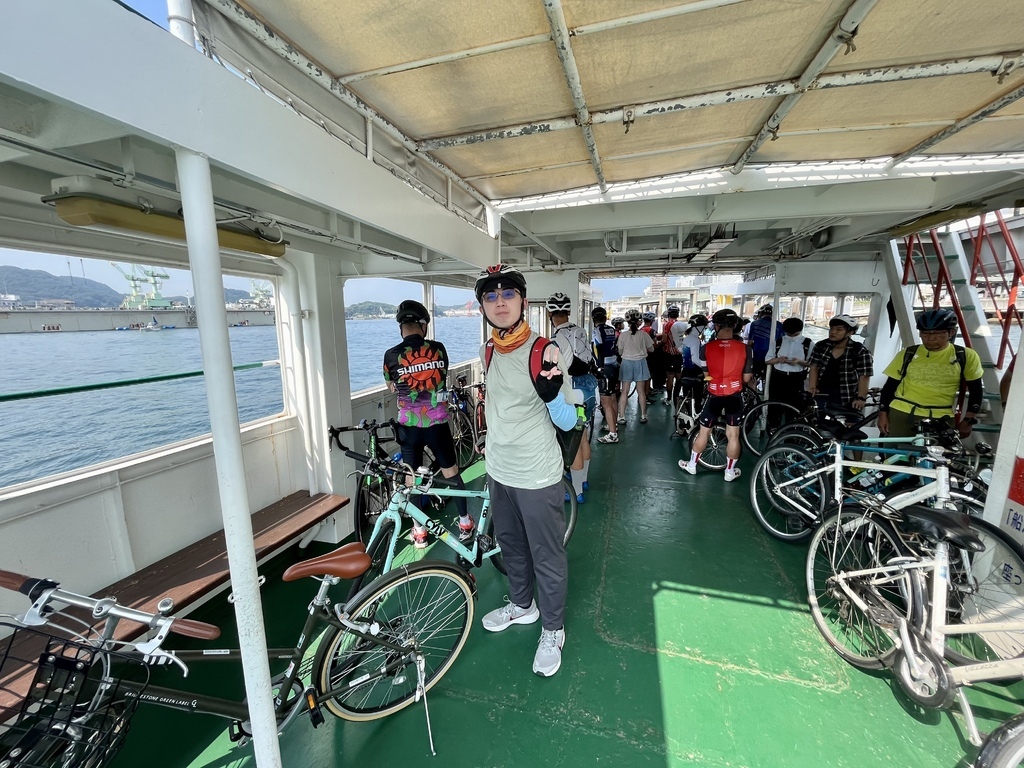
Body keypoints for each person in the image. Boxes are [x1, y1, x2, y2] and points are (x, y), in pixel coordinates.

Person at [475, 264, 576, 677]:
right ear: (482, 305)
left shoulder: (544, 351)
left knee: (546, 556)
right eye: (490, 296)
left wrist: (551, 396)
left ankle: (554, 629)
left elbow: (570, 422)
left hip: (536, 474)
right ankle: (522, 605)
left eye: (507, 294)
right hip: (499, 471)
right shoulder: (488, 350)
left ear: (523, 301)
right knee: (511, 547)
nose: (499, 302)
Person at [382, 299, 470, 547]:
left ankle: (419, 531)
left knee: (411, 479)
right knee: (452, 474)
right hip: (438, 425)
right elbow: (440, 377)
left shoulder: (391, 355)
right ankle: (464, 522)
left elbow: (391, 386)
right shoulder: (439, 349)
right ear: (423, 326)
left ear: (401, 328)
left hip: (408, 428)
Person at [877, 308, 984, 438]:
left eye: (937, 334)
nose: (930, 338)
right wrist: (883, 413)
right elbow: (890, 386)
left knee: (938, 457)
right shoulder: (908, 353)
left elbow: (976, 390)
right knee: (894, 456)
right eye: (925, 334)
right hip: (901, 412)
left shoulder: (966, 355)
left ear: (951, 332)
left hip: (941, 416)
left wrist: (968, 420)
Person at [678, 308, 751, 481]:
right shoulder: (746, 349)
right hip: (734, 395)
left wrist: (718, 378)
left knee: (704, 432)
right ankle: (729, 472)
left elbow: (706, 374)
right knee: (733, 435)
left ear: (716, 326)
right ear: (735, 326)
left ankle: (692, 465)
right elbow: (746, 378)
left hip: (715, 394)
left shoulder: (706, 348)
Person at [547, 292, 596, 503]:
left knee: (572, 441)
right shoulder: (581, 331)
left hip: (573, 391)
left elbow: (558, 371)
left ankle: (576, 492)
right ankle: (583, 480)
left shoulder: (555, 340)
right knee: (583, 436)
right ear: (568, 312)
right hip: (590, 388)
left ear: (550, 313)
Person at [807, 314, 873, 411]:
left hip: (847, 396)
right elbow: (814, 367)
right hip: (822, 393)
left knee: (849, 424)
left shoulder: (859, 350)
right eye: (831, 329)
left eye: (839, 329)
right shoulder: (821, 346)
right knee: (818, 421)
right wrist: (812, 387)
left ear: (850, 332)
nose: (833, 332)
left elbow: (864, 376)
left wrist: (861, 398)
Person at [764, 317, 812, 427]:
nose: (791, 337)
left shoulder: (808, 343)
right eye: (789, 334)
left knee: (794, 408)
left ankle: (791, 435)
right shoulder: (779, 341)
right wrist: (779, 360)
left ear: (800, 331)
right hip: (778, 378)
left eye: (794, 335)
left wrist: (800, 361)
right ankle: (773, 430)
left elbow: (812, 363)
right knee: (775, 407)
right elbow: (768, 360)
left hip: (797, 379)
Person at [616, 308, 654, 425]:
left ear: (627, 322)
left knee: (625, 391)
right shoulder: (643, 334)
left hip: (626, 363)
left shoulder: (622, 336)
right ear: (639, 322)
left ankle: (621, 416)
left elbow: (620, 352)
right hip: (640, 362)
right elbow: (651, 349)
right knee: (641, 391)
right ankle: (643, 415)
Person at [593, 307, 622, 444]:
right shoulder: (611, 329)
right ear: (605, 317)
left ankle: (612, 434)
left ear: (594, 319)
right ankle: (613, 425)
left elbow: (598, 348)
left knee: (605, 401)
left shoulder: (596, 330)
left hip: (605, 367)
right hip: (615, 364)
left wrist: (599, 367)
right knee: (613, 397)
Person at [677, 313, 708, 407]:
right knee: (697, 397)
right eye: (704, 327)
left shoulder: (687, 338)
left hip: (686, 370)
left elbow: (681, 350)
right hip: (694, 372)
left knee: (688, 395)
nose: (704, 329)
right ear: (699, 327)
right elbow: (695, 359)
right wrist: (706, 368)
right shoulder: (695, 340)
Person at [746, 304, 783, 380]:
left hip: (757, 355)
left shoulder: (754, 323)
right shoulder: (779, 325)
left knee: (754, 377)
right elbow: (782, 341)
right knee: (770, 377)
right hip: (772, 356)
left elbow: (749, 342)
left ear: (760, 313)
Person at [661, 305, 683, 405]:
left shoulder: (667, 325)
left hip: (669, 354)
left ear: (669, 314)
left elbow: (664, 340)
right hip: (679, 354)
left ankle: (669, 399)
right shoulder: (681, 324)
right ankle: (677, 398)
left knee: (670, 376)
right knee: (678, 376)